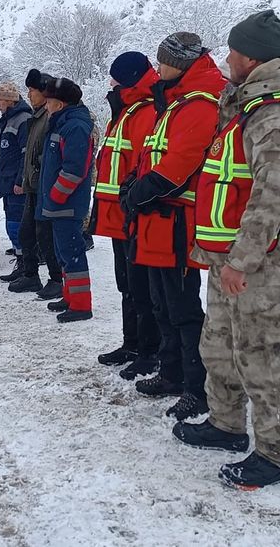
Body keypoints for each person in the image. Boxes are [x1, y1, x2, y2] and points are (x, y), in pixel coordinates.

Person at [177, 10, 280, 490]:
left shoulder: (277, 112)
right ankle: (226, 424)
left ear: (249, 56)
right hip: (226, 260)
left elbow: (274, 193)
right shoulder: (243, 107)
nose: (226, 58)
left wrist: (242, 259)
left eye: (232, 50)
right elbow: (219, 183)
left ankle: (277, 454)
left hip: (259, 263)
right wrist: (208, 248)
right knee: (220, 347)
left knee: (263, 356)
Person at [120, 32, 224, 422]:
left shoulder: (198, 104)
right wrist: (134, 183)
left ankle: (197, 387)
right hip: (157, 222)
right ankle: (172, 372)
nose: (156, 66)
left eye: (162, 59)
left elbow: (180, 163)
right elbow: (153, 152)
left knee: (182, 308)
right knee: (164, 305)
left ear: (177, 64)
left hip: (176, 224)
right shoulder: (176, 102)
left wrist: (141, 191)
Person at [92, 52, 162, 379]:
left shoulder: (145, 112)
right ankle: (131, 343)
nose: (109, 84)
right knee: (127, 284)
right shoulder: (125, 112)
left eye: (115, 79)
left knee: (142, 287)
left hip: (134, 213)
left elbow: (144, 164)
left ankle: (150, 351)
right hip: (119, 216)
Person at [38, 77, 95, 323]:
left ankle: (81, 305)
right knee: (64, 253)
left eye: (49, 101)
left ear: (60, 104)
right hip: (58, 205)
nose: (45, 105)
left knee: (72, 253)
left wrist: (56, 196)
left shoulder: (75, 127)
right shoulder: (62, 124)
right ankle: (70, 296)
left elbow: (74, 169)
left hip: (67, 205)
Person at [6, 70, 65, 299]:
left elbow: (49, 151)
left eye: (32, 90)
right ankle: (31, 275)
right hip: (33, 184)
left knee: (45, 235)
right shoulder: (37, 116)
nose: (29, 95)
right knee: (27, 232)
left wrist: (39, 168)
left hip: (44, 184)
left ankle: (56, 278)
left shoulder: (49, 118)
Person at [0, 82, 34, 282]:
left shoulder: (22, 120)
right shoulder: (8, 120)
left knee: (17, 226)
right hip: (7, 183)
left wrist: (20, 180)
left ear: (9, 100)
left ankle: (27, 266)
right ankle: (21, 263)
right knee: (12, 224)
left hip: (17, 184)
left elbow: (26, 155)